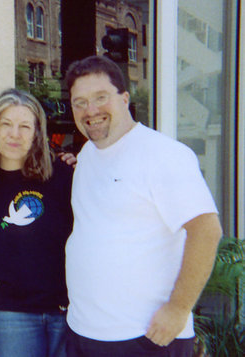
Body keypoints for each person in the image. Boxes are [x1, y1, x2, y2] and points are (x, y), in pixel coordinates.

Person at [64, 55, 223, 357]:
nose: (91, 111)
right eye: (79, 102)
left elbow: (206, 230)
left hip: (144, 337)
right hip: (84, 331)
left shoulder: (163, 154)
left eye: (101, 98)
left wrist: (178, 309)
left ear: (124, 99)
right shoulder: (86, 154)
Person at [0, 88, 74, 357]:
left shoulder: (61, 174)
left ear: (37, 133)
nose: (15, 134)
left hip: (70, 311)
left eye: (25, 126)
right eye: (6, 124)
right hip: (14, 314)